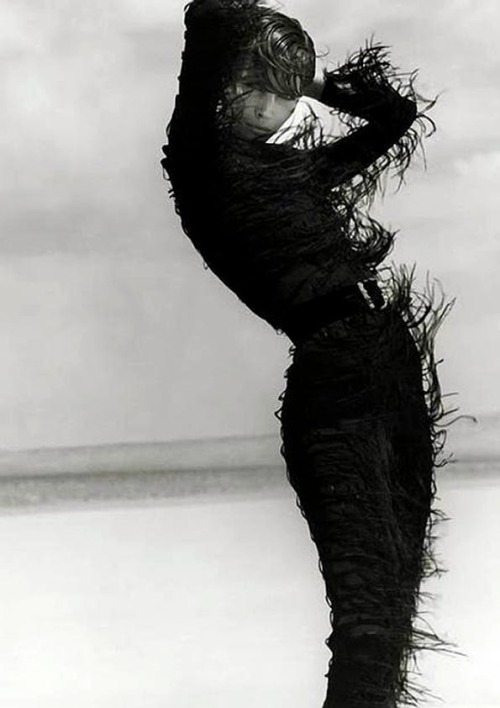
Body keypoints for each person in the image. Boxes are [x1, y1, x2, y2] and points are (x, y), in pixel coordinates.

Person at [161, 1, 455, 706]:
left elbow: (395, 117)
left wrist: (313, 76)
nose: (273, 103)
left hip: (387, 366)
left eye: (281, 91)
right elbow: (209, 24)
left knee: (397, 603)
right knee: (366, 620)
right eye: (259, 86)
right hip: (336, 386)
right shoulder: (206, 163)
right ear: (224, 83)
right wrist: (249, 55)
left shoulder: (293, 173)